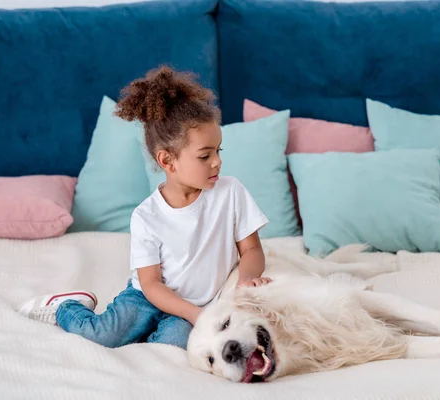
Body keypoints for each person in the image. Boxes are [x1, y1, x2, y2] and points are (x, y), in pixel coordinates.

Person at [18, 65, 271, 350]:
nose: (217, 162)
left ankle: (152, 333)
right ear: (167, 161)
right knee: (105, 336)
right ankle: (66, 307)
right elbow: (151, 284)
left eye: (218, 151)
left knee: (170, 346)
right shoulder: (147, 216)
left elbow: (250, 249)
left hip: (198, 302)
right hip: (148, 296)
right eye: (204, 156)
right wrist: (194, 314)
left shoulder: (231, 192)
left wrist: (247, 281)